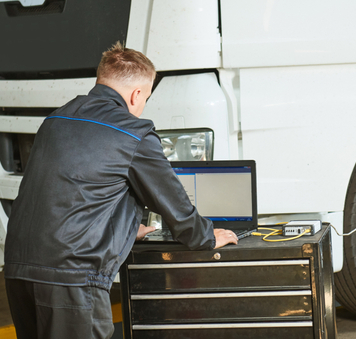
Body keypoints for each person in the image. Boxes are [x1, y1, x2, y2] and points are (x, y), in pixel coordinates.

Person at [3, 41, 238, 339]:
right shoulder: (132, 132)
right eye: (145, 99)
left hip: (18, 268)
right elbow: (173, 202)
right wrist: (204, 236)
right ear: (136, 94)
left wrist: (123, 228)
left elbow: (68, 192)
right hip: (71, 277)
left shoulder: (56, 120)